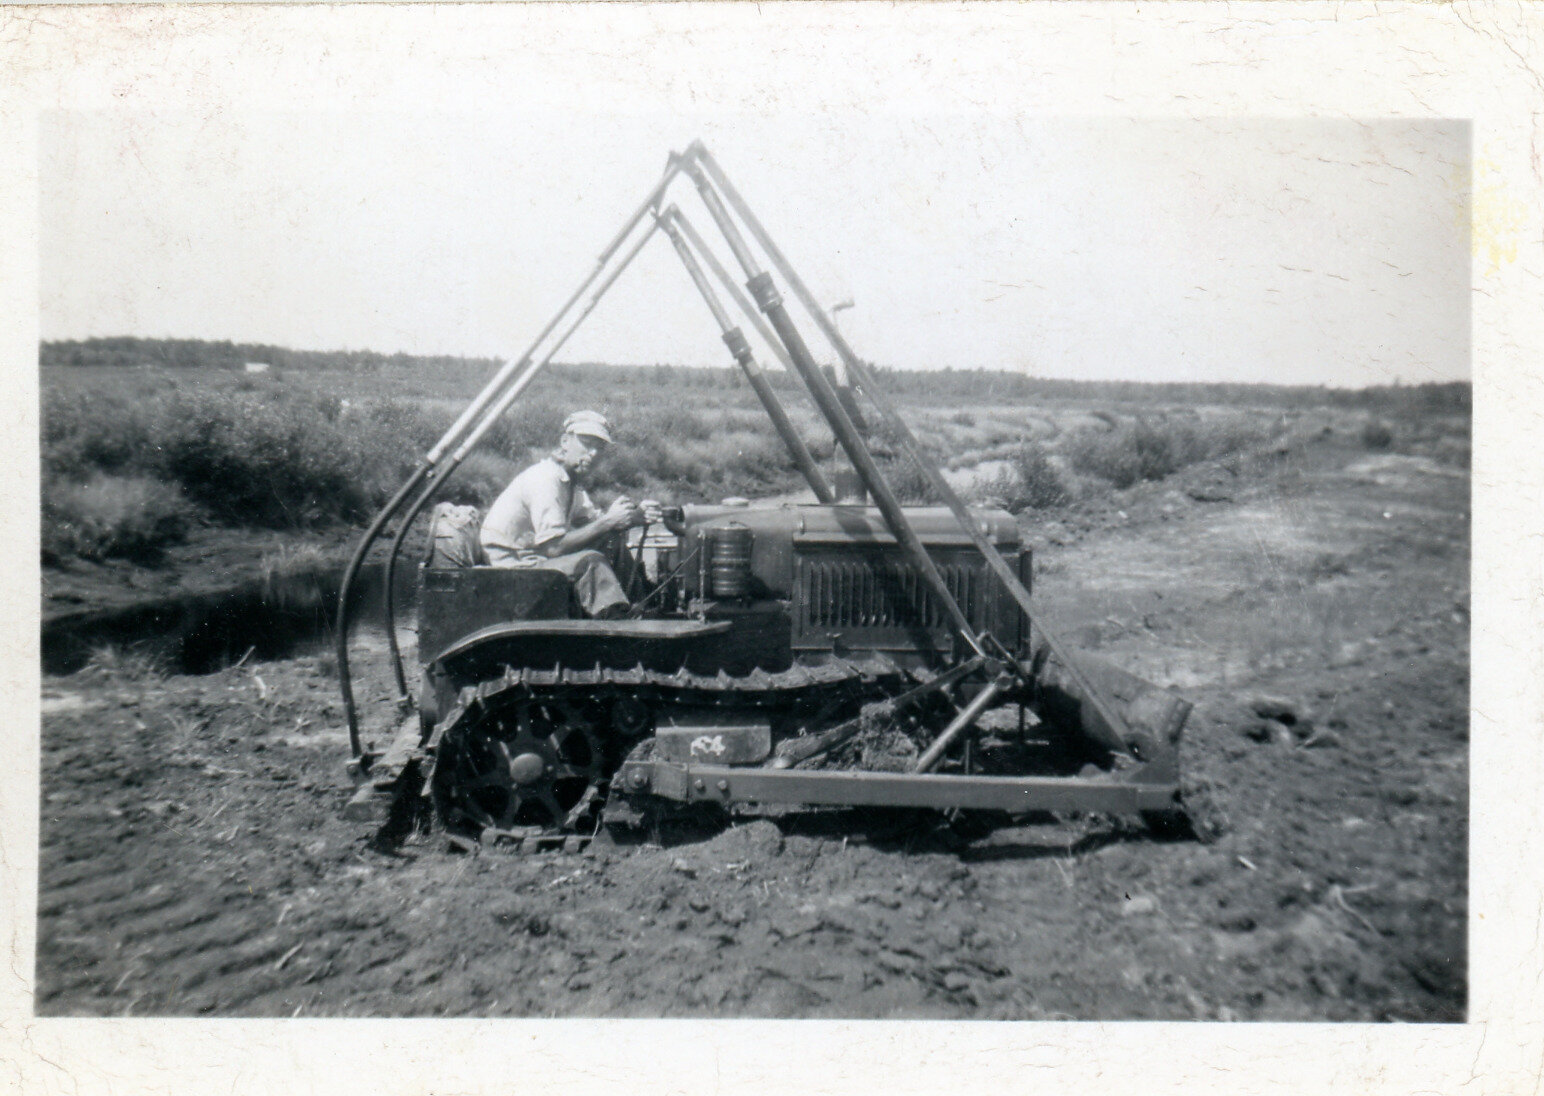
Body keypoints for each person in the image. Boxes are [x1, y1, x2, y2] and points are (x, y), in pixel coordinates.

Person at [478, 410, 673, 618]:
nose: (593, 454)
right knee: (591, 562)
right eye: (587, 445)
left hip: (533, 558)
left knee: (611, 541)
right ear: (565, 442)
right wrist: (608, 521)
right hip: (512, 566)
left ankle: (639, 606)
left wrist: (633, 517)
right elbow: (552, 547)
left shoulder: (569, 482)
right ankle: (618, 621)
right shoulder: (546, 480)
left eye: (599, 449)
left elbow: (592, 522)